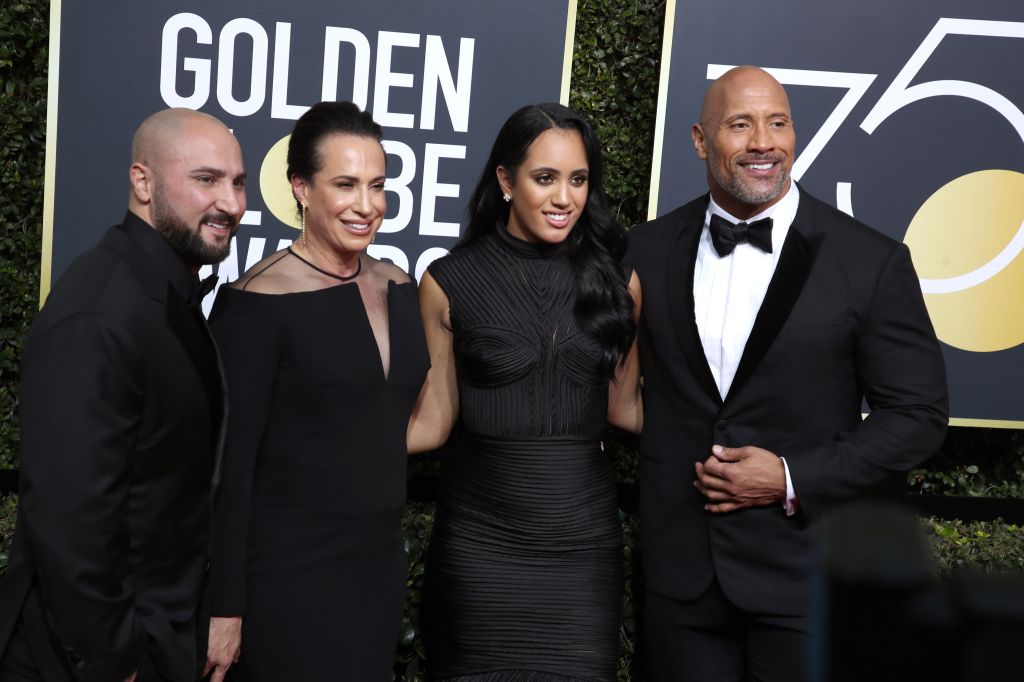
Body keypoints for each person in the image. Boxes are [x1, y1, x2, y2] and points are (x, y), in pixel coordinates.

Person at [627, 65, 949, 681]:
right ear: (699, 140)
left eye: (778, 123)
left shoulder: (869, 261)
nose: (763, 142)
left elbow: (917, 417)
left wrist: (789, 477)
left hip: (807, 577)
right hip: (681, 578)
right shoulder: (647, 248)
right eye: (740, 124)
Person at [0, 109, 245, 682]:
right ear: (143, 182)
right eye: (206, 180)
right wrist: (118, 659)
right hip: (83, 657)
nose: (231, 203)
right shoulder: (101, 311)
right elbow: (68, 515)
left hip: (147, 636)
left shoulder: (160, 292)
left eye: (237, 182)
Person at [408, 102, 642, 681]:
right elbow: (433, 423)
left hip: (581, 548)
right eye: (545, 178)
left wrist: (745, 433)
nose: (564, 197)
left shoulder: (619, 282)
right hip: (479, 543)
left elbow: (626, 407)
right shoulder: (447, 281)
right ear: (506, 180)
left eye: (578, 179)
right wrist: (310, 439)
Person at [202, 101, 429, 681]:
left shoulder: (401, 288)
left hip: (376, 572)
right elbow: (229, 468)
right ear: (301, 188)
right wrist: (225, 606)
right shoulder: (256, 302)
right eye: (346, 185)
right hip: (287, 575)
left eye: (377, 186)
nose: (366, 205)